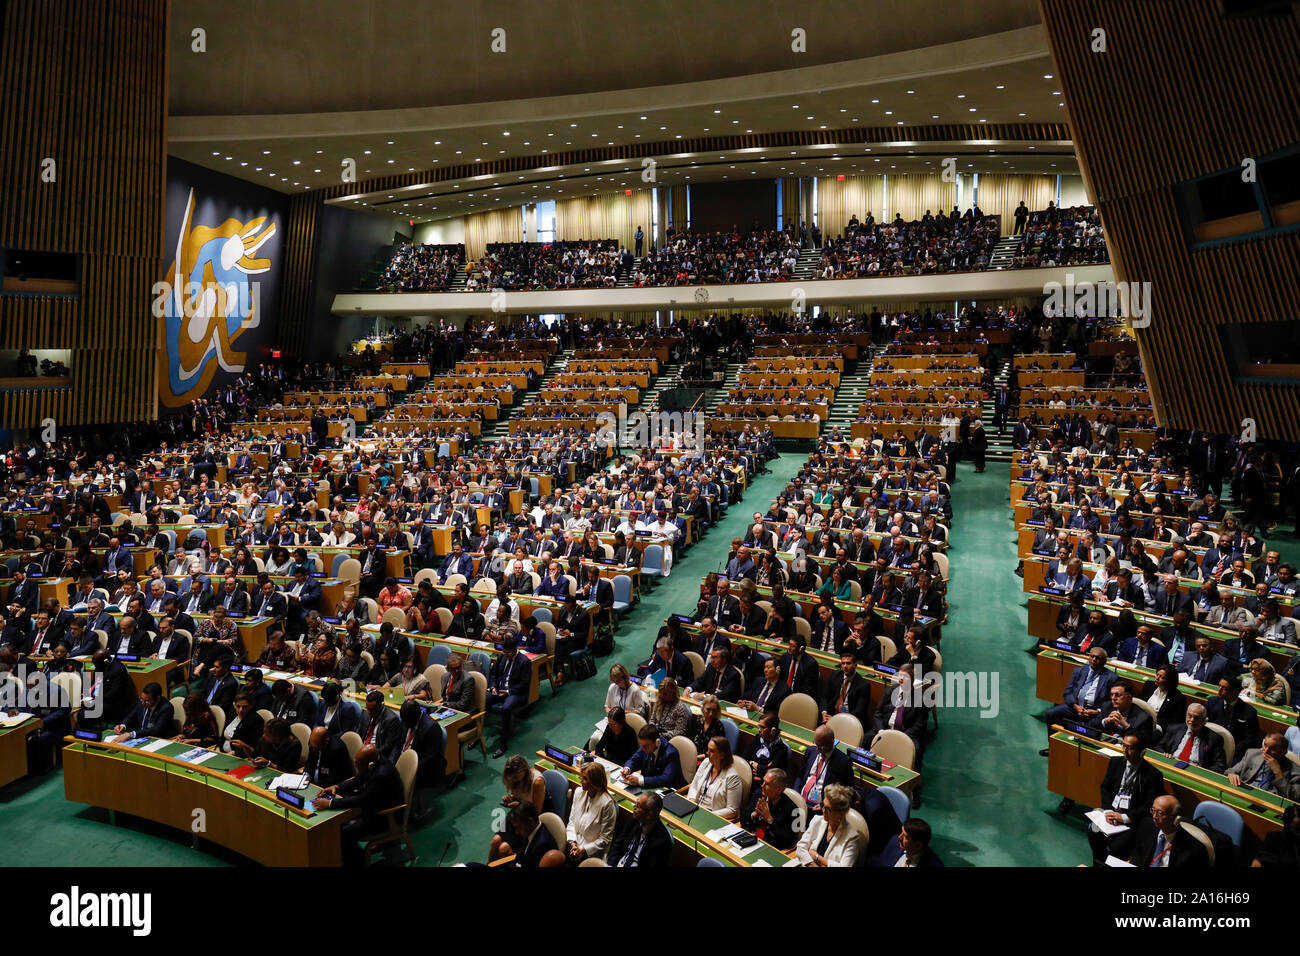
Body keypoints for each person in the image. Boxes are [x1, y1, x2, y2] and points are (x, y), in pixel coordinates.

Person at [312, 744, 403, 866]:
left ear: (369, 764)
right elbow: (356, 780)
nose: (356, 766)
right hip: (372, 807)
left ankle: (357, 862)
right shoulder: (372, 764)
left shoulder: (382, 775)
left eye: (358, 764)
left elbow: (362, 800)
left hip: (385, 817)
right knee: (337, 824)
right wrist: (337, 787)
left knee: (345, 832)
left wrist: (330, 803)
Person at [1087, 733, 1165, 864]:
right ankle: (1098, 862)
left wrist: (1123, 817)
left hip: (1131, 821)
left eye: (1130, 748)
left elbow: (1149, 805)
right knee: (1093, 831)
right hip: (1109, 814)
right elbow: (1105, 788)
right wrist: (1107, 811)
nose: (1125, 751)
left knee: (1117, 847)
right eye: (1124, 746)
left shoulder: (1153, 775)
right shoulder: (1115, 762)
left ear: (1142, 752)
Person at [489, 753, 550, 860]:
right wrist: (511, 798)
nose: (515, 780)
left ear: (524, 770)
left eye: (516, 777)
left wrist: (519, 805)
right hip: (517, 813)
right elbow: (520, 795)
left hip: (529, 819)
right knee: (495, 841)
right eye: (512, 778)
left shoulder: (537, 782)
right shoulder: (515, 778)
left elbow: (537, 811)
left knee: (504, 849)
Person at [1127, 795, 1208, 867]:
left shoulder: (1193, 849)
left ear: (1176, 818)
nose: (1155, 817)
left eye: (1160, 813)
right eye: (1153, 810)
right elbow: (1137, 855)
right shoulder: (1146, 826)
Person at [795, 783, 860, 866]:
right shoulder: (817, 820)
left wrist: (817, 857)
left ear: (841, 813)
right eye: (822, 805)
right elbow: (801, 847)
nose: (823, 810)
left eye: (828, 809)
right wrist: (812, 864)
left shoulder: (852, 837)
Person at [564, 761, 617, 864]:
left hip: (591, 852)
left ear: (595, 781)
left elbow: (605, 839)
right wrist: (573, 843)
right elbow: (571, 821)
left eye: (585, 778)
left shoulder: (607, 804)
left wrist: (583, 850)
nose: (581, 781)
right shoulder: (579, 792)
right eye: (581, 777)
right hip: (573, 842)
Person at [487, 634, 531, 758]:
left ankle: (503, 743)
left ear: (515, 649)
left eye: (508, 653)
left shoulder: (524, 662)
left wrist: (508, 691)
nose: (506, 655)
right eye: (504, 652)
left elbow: (525, 684)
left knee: (506, 708)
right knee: (483, 700)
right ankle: (477, 734)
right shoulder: (501, 656)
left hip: (516, 693)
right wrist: (493, 687)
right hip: (499, 690)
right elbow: (494, 674)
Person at [793, 724, 853, 811]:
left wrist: (825, 805)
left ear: (832, 741)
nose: (817, 749)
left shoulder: (843, 762)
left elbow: (847, 791)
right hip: (800, 802)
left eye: (821, 745)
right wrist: (795, 794)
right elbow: (800, 776)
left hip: (821, 809)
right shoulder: (811, 751)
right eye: (816, 744)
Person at [607, 791, 673, 867]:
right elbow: (617, 846)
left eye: (638, 806)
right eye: (636, 803)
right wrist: (611, 864)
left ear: (649, 814)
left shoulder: (662, 840)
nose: (634, 807)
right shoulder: (634, 820)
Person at [739, 767, 800, 850]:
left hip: (770, 847)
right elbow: (742, 818)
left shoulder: (793, 809)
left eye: (767, 784)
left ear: (779, 789)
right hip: (749, 838)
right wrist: (754, 814)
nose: (762, 785)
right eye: (763, 781)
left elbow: (789, 840)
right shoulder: (758, 794)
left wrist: (770, 820)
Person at [686, 734, 744, 819]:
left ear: (722, 755)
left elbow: (732, 810)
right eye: (708, 749)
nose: (707, 753)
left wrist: (709, 815)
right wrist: (692, 800)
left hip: (713, 816)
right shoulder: (706, 763)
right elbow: (694, 786)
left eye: (712, 751)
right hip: (695, 809)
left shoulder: (732, 777)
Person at [1157, 702, 1227, 773]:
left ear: (1204, 721)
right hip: (1171, 766)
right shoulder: (1174, 729)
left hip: (1195, 773)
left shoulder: (1214, 738)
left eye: (1196, 718)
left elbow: (1220, 765)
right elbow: (1158, 747)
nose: (1192, 720)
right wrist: (1164, 754)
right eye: (1190, 716)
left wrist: (1204, 771)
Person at [1227, 732, 1300, 798]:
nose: (1266, 750)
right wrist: (1232, 774)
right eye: (1265, 745)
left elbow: (1295, 796)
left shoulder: (1295, 770)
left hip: (1270, 800)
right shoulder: (1252, 754)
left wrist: (1278, 772)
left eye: (1272, 748)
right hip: (1245, 793)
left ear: (1283, 752)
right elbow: (1230, 771)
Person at [396, 699, 445, 789]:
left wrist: (407, 768)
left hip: (420, 770)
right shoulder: (406, 720)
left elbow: (429, 758)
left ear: (416, 716)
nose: (405, 725)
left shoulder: (431, 728)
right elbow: (397, 746)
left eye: (407, 722)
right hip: (402, 762)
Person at [620, 723, 685, 789]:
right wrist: (627, 768)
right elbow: (634, 759)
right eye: (641, 745)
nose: (642, 749)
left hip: (671, 790)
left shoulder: (671, 753)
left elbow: (666, 779)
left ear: (657, 742)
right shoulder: (645, 746)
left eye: (645, 746)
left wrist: (639, 781)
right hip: (650, 786)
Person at [109, 682, 175, 742]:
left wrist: (131, 734)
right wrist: (123, 725)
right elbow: (131, 716)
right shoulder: (143, 702)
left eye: (147, 701)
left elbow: (156, 730)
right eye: (141, 699)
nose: (143, 703)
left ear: (158, 698)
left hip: (158, 740)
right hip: (142, 738)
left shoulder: (166, 708)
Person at [821, 650, 872, 727]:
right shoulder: (835, 675)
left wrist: (837, 719)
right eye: (843, 663)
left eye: (848, 663)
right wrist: (824, 712)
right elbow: (825, 697)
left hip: (850, 721)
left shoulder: (863, 685)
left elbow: (859, 711)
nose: (845, 666)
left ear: (855, 665)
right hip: (831, 715)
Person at [870, 818, 945, 867]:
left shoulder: (934, 864)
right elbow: (880, 862)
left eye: (905, 836)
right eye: (901, 832)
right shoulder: (895, 842)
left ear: (918, 845)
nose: (899, 837)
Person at [357, 689, 402, 760]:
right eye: (367, 708)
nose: (369, 712)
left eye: (372, 710)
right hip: (361, 749)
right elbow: (359, 733)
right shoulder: (366, 713)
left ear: (381, 705)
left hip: (375, 755)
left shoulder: (391, 720)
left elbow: (388, 745)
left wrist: (371, 753)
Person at [743, 710, 790, 779]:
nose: (759, 730)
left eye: (762, 727)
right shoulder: (757, 738)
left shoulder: (781, 749)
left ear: (773, 730)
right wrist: (759, 766)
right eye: (759, 726)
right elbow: (744, 758)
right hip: (748, 775)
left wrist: (756, 766)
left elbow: (771, 772)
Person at [219, 691, 265, 757]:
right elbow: (222, 736)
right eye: (238, 706)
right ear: (234, 705)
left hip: (238, 756)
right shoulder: (233, 713)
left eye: (245, 707)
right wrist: (218, 748)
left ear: (251, 706)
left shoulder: (256, 720)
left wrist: (232, 754)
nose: (241, 710)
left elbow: (251, 747)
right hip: (222, 752)